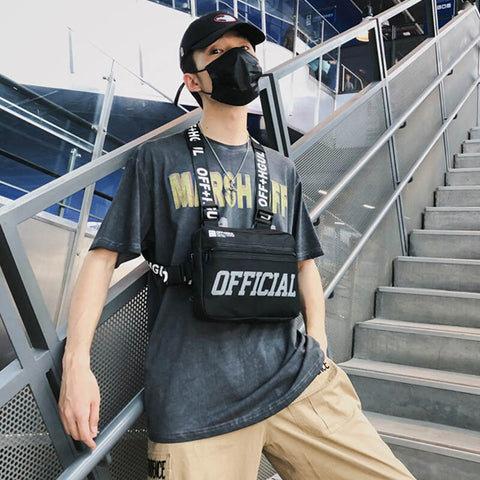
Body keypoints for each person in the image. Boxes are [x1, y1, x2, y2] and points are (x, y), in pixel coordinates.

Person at [59, 11, 416, 480]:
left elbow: (304, 262)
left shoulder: (281, 169)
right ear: (192, 81)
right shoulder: (158, 160)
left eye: (244, 50)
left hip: (296, 379)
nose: (238, 60)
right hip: (196, 404)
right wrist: (77, 364)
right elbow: (102, 258)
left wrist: (318, 340)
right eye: (218, 52)